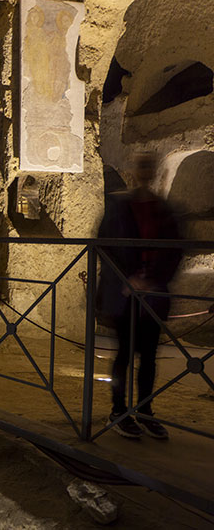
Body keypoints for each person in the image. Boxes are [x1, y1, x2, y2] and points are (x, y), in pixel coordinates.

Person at [97, 152, 182, 439]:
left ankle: (145, 411)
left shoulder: (165, 209)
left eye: (150, 166)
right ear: (134, 170)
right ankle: (119, 411)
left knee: (149, 357)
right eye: (141, 165)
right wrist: (127, 278)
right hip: (125, 293)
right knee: (124, 353)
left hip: (154, 294)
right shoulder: (119, 206)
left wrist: (155, 280)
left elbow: (175, 250)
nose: (145, 171)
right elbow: (104, 246)